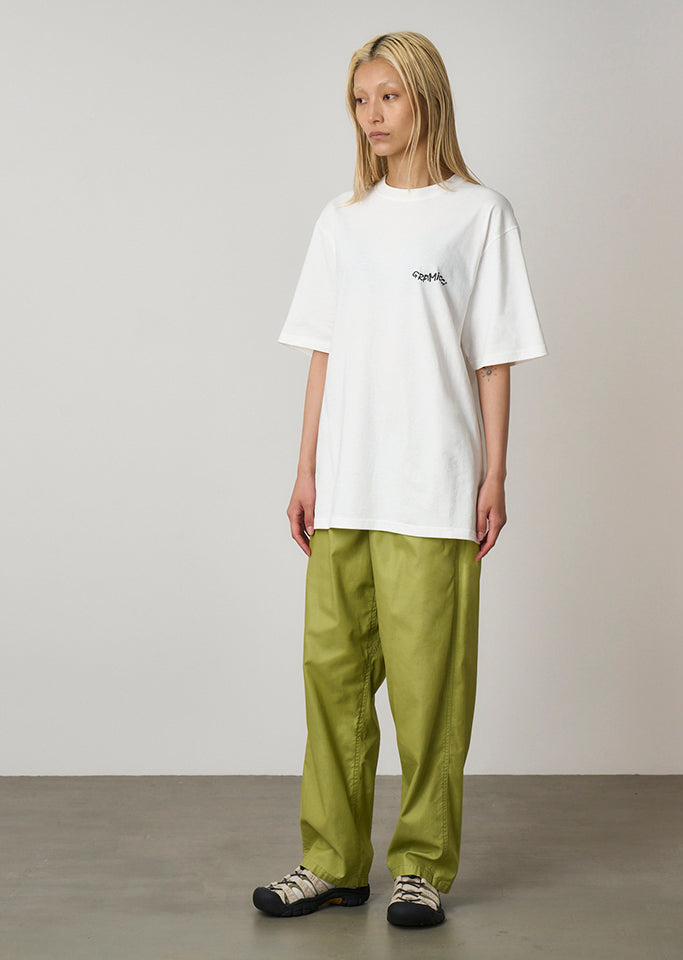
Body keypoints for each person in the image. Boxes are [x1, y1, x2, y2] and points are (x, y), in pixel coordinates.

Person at [252, 31, 548, 928]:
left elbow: (495, 358)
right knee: (332, 682)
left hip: (433, 489)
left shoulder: (479, 215)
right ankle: (333, 863)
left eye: (388, 96)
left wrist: (495, 475)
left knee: (429, 695)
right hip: (346, 487)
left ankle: (421, 867)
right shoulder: (341, 221)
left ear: (426, 99)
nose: (371, 116)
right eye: (359, 100)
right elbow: (323, 353)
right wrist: (305, 469)